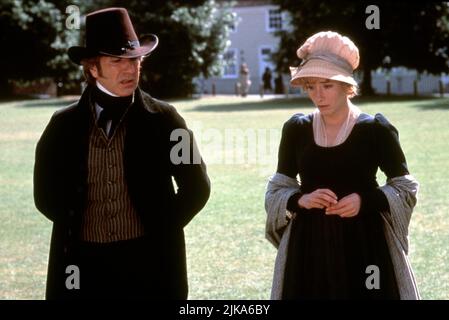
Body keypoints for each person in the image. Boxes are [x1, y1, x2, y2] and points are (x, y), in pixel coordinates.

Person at [33, 7, 210, 299]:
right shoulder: (62, 125)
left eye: (135, 60)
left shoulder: (166, 119)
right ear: (92, 68)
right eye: (117, 61)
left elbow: (197, 186)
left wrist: (161, 231)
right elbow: (45, 196)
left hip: (149, 263)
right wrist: (79, 227)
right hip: (82, 265)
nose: (130, 69)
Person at [265, 31, 420, 299]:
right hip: (308, 246)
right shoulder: (296, 129)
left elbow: (405, 188)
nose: (318, 95)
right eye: (311, 86)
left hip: (365, 244)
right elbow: (278, 188)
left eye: (327, 85)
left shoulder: (375, 129)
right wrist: (301, 200)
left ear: (346, 86)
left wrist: (364, 201)